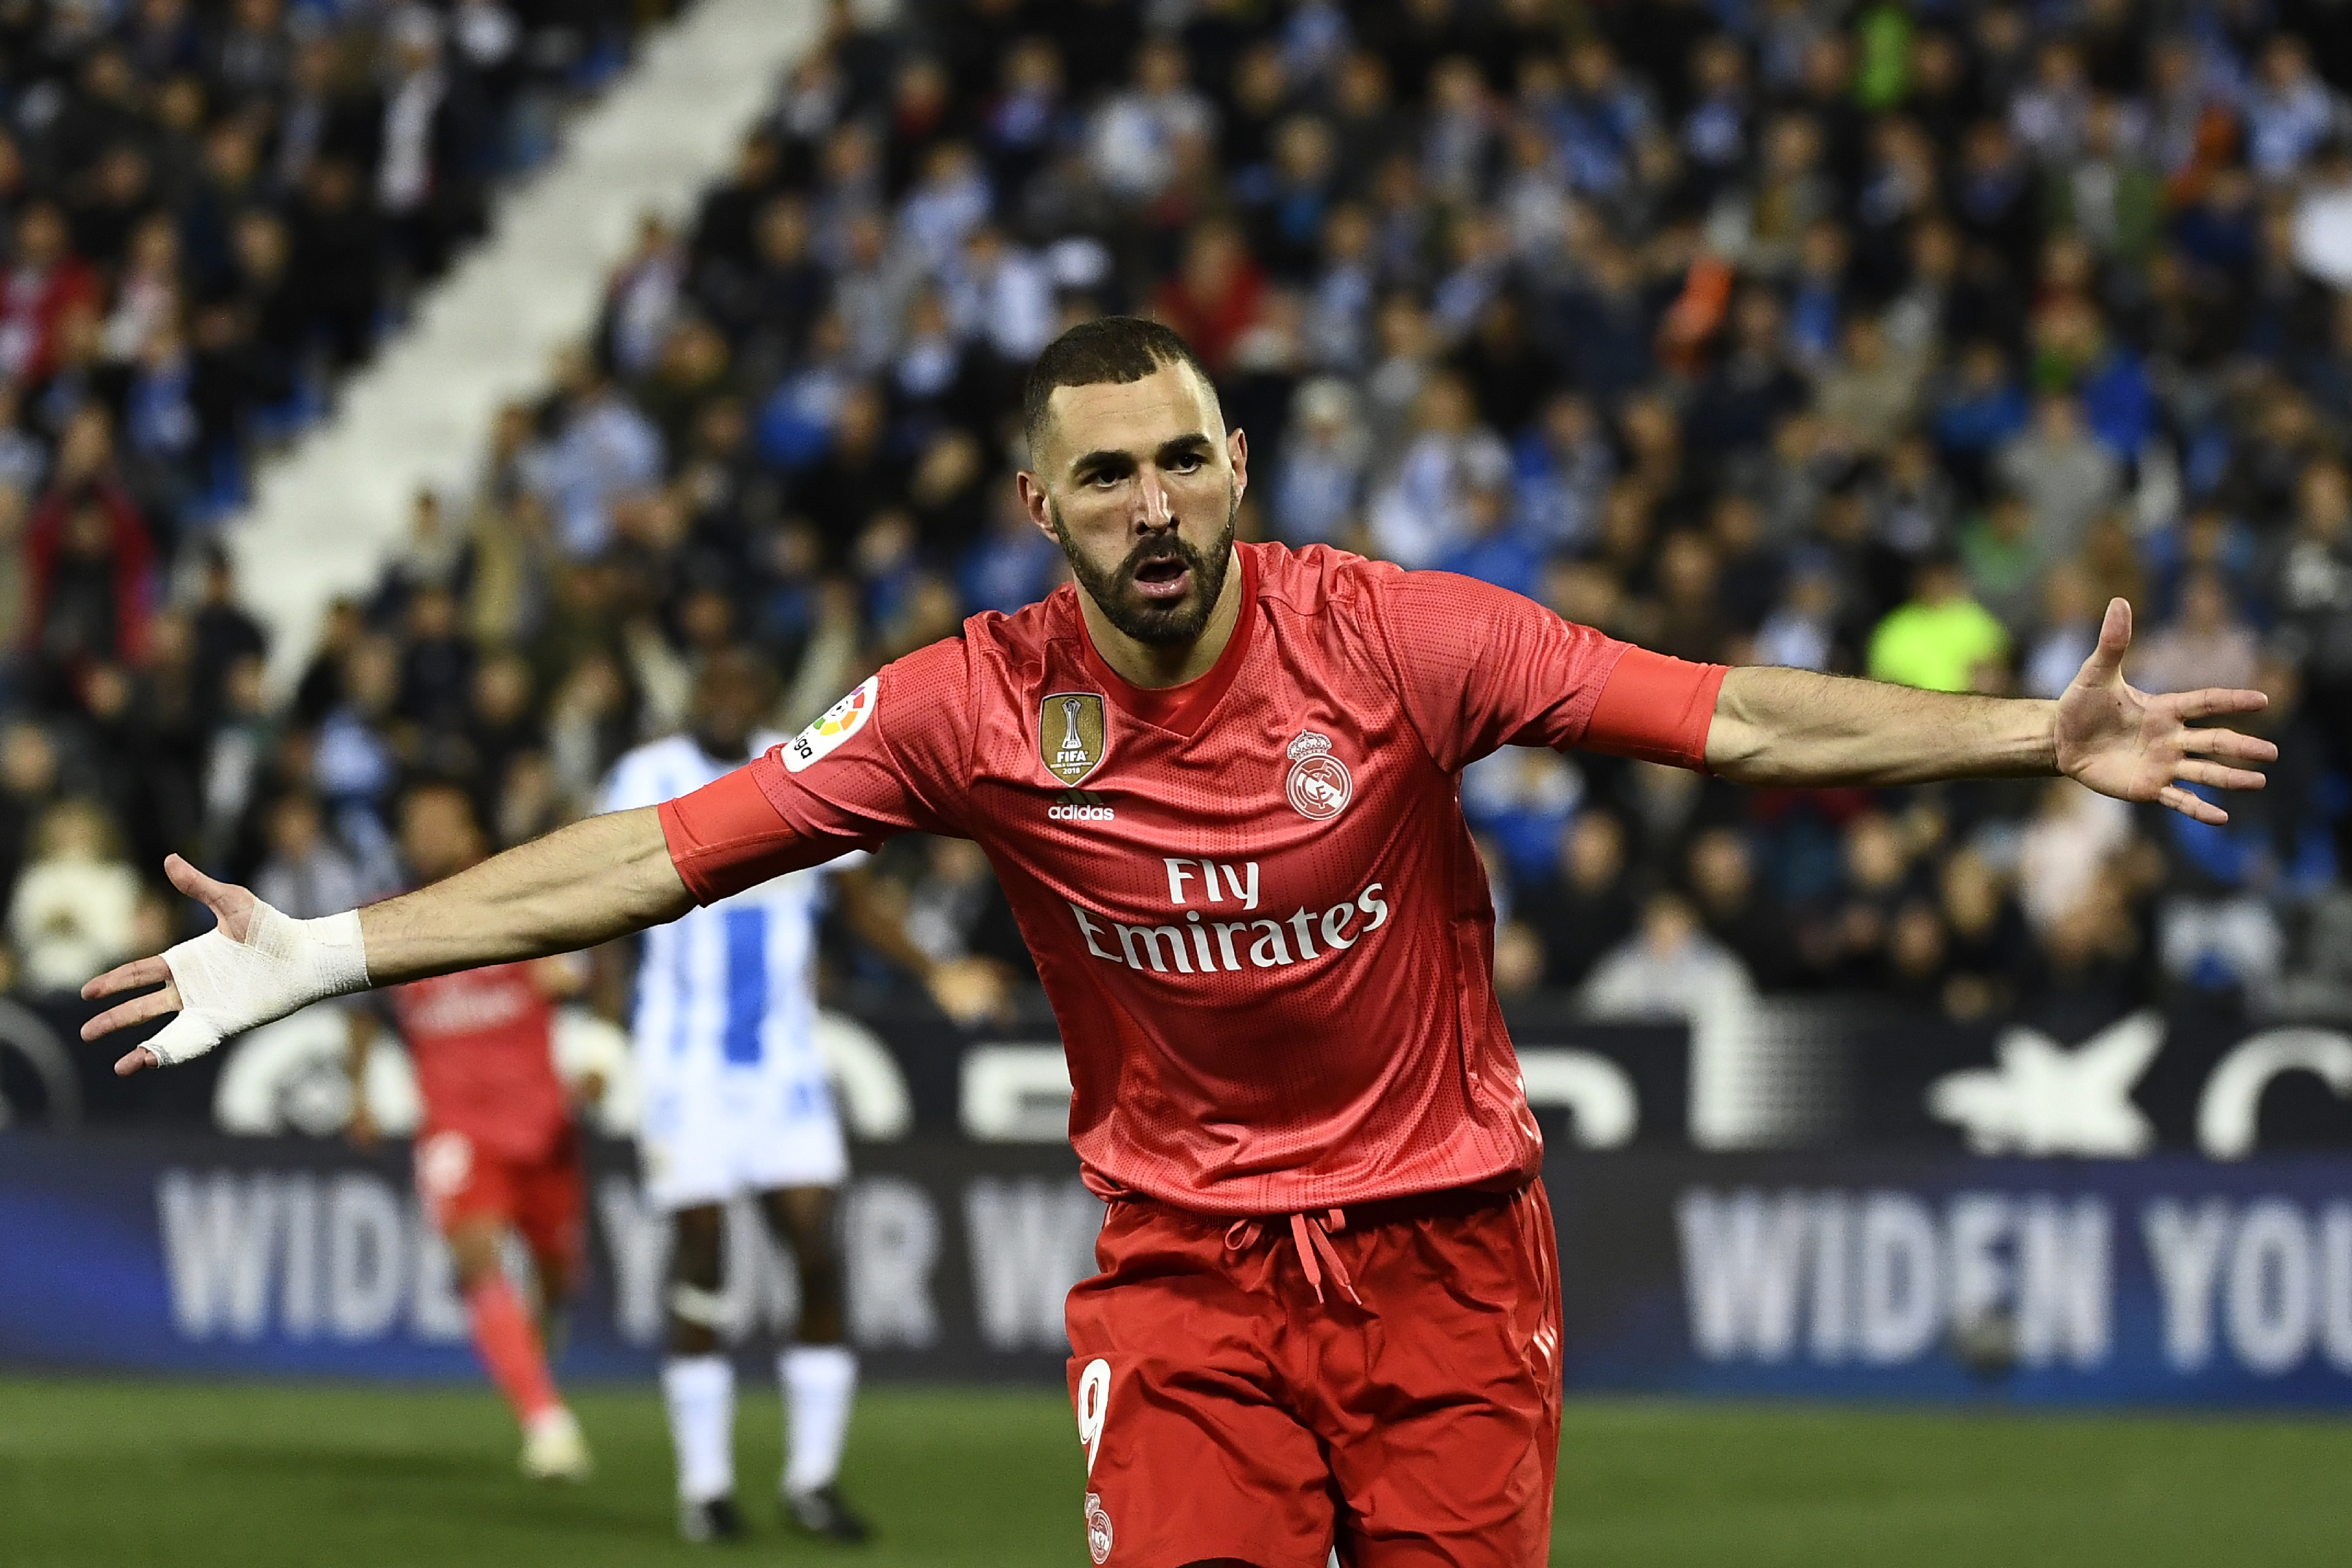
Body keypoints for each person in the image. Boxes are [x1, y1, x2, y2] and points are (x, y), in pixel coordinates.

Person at [87, 319, 2278, 1568]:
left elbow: (1724, 714)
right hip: (1189, 1276)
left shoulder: (1399, 644)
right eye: (1104, 478)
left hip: (1443, 1249)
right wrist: (338, 951)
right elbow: (662, 851)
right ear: (1042, 511)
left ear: (1239, 461)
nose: (1153, 507)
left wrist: (2022, 736)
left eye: (1180, 460)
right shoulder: (969, 706)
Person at [596, 648, 1005, 1544]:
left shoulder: (802, 758)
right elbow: (602, 905)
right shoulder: (646, 775)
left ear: (762, 695)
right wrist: (594, 1015)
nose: (727, 696)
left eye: (742, 682)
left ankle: (812, 1479)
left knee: (818, 1251)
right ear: (694, 694)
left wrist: (935, 974)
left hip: (783, 1068)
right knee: (702, 1252)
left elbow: (856, 902)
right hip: (684, 1064)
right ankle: (704, 1484)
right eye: (714, 682)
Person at [344, 781, 593, 1483]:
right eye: (414, 823)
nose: (425, 836)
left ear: (468, 831)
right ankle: (546, 1421)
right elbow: (360, 1015)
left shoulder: (513, 898)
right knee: (475, 1256)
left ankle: (541, 1345)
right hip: (456, 1124)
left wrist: (596, 1041)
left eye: (438, 822)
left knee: (556, 1271)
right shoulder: (388, 920)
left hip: (541, 1119)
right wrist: (359, 1096)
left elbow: (573, 978)